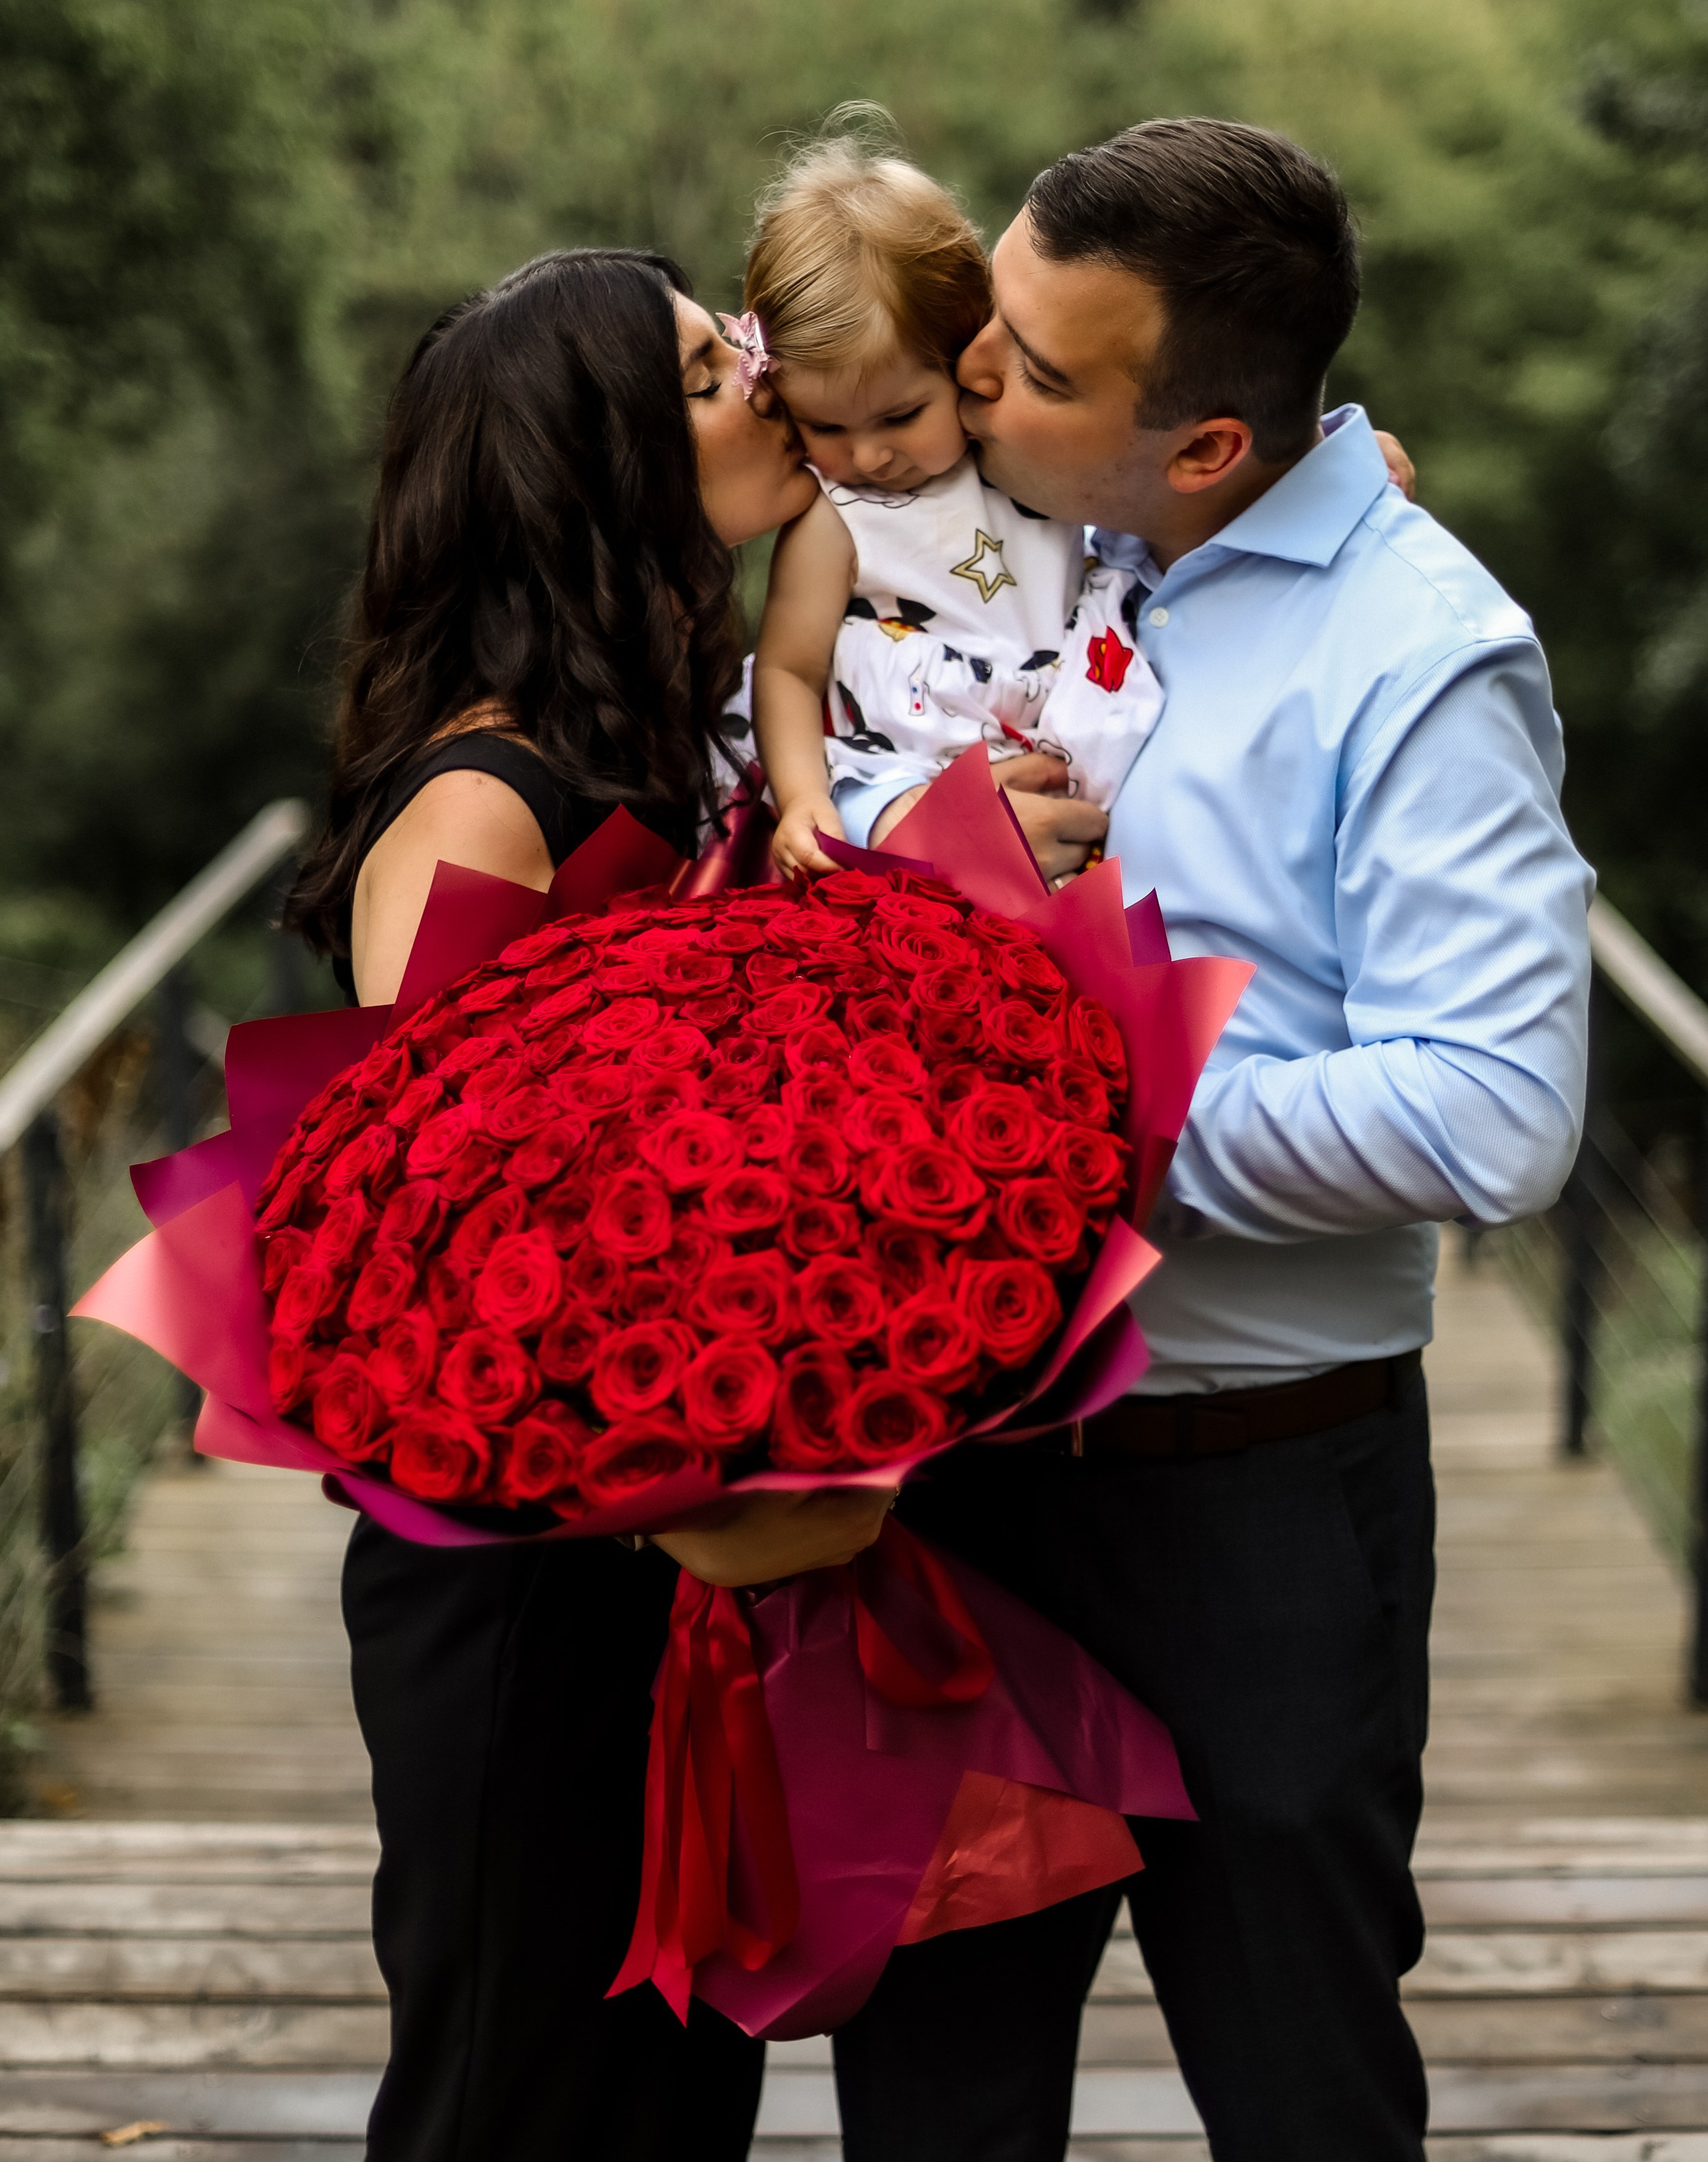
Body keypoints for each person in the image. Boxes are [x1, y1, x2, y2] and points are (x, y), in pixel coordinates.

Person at [826, 119, 1594, 2162]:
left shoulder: (1417, 654)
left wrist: (1094, 1132)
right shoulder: (1013, 528)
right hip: (958, 1492)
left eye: (1035, 370)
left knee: (1298, 2086)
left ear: (1207, 445)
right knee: (933, 2097)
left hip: (1251, 1492)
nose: (973, 380)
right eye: (986, 323)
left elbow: (1493, 1105)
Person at [283, 248, 893, 2162]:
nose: (769, 380)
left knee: (673, 2094)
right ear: (607, 455)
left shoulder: (671, 735)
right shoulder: (487, 802)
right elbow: (461, 1252)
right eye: (717, 371)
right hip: (529, 1571)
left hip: (667, 1530)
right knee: (509, 2091)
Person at [747, 131, 1162, 880]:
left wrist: (1313, 454)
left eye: (901, 416)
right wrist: (804, 796)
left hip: (1080, 745)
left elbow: (1154, 462)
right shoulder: (834, 516)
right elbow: (787, 668)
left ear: (966, 354)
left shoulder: (1027, 455)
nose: (868, 456)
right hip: (909, 773)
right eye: (827, 427)